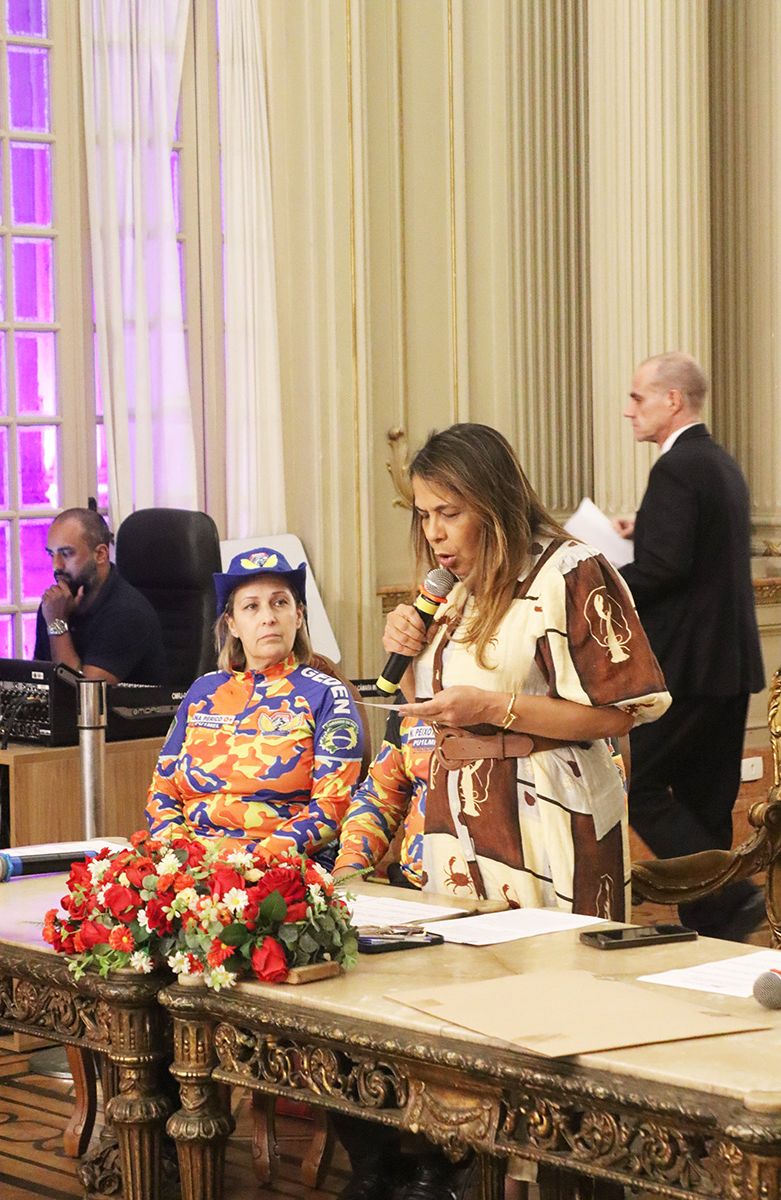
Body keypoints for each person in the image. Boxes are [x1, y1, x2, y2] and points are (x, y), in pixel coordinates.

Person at [331, 424, 670, 1200]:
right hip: (464, 826)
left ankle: (575, 1182)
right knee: (479, 1024)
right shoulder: (453, 590)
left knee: (559, 1029)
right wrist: (405, 648)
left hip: (555, 821)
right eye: (423, 515)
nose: (435, 533)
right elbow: (433, 704)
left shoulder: (570, 571)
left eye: (449, 512)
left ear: (493, 499)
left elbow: (623, 712)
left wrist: (500, 708)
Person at [614, 352, 766, 940]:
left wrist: (598, 579)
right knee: (707, 801)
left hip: (687, 667)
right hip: (729, 664)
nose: (630, 410)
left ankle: (729, 896)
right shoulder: (720, 464)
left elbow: (664, 570)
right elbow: (695, 550)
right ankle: (716, 929)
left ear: (671, 400)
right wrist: (643, 527)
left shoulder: (675, 469)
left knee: (644, 789)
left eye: (638, 397)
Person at [145, 548, 363, 865]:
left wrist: (251, 863)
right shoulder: (202, 691)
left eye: (280, 602)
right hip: (194, 868)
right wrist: (180, 858)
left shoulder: (327, 695)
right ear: (232, 624)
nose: (268, 617)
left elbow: (333, 808)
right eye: (251, 606)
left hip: (283, 869)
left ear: (298, 615)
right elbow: (162, 790)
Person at [33, 507, 166, 684]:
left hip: (113, 710)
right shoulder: (55, 605)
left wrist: (57, 625)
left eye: (66, 554)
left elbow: (85, 697)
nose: (56, 565)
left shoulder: (128, 613)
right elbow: (36, 681)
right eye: (52, 554)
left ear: (100, 554)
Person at [333, 705, 432, 887]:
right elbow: (379, 799)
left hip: (496, 890)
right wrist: (349, 864)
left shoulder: (500, 699)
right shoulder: (412, 702)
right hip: (418, 885)